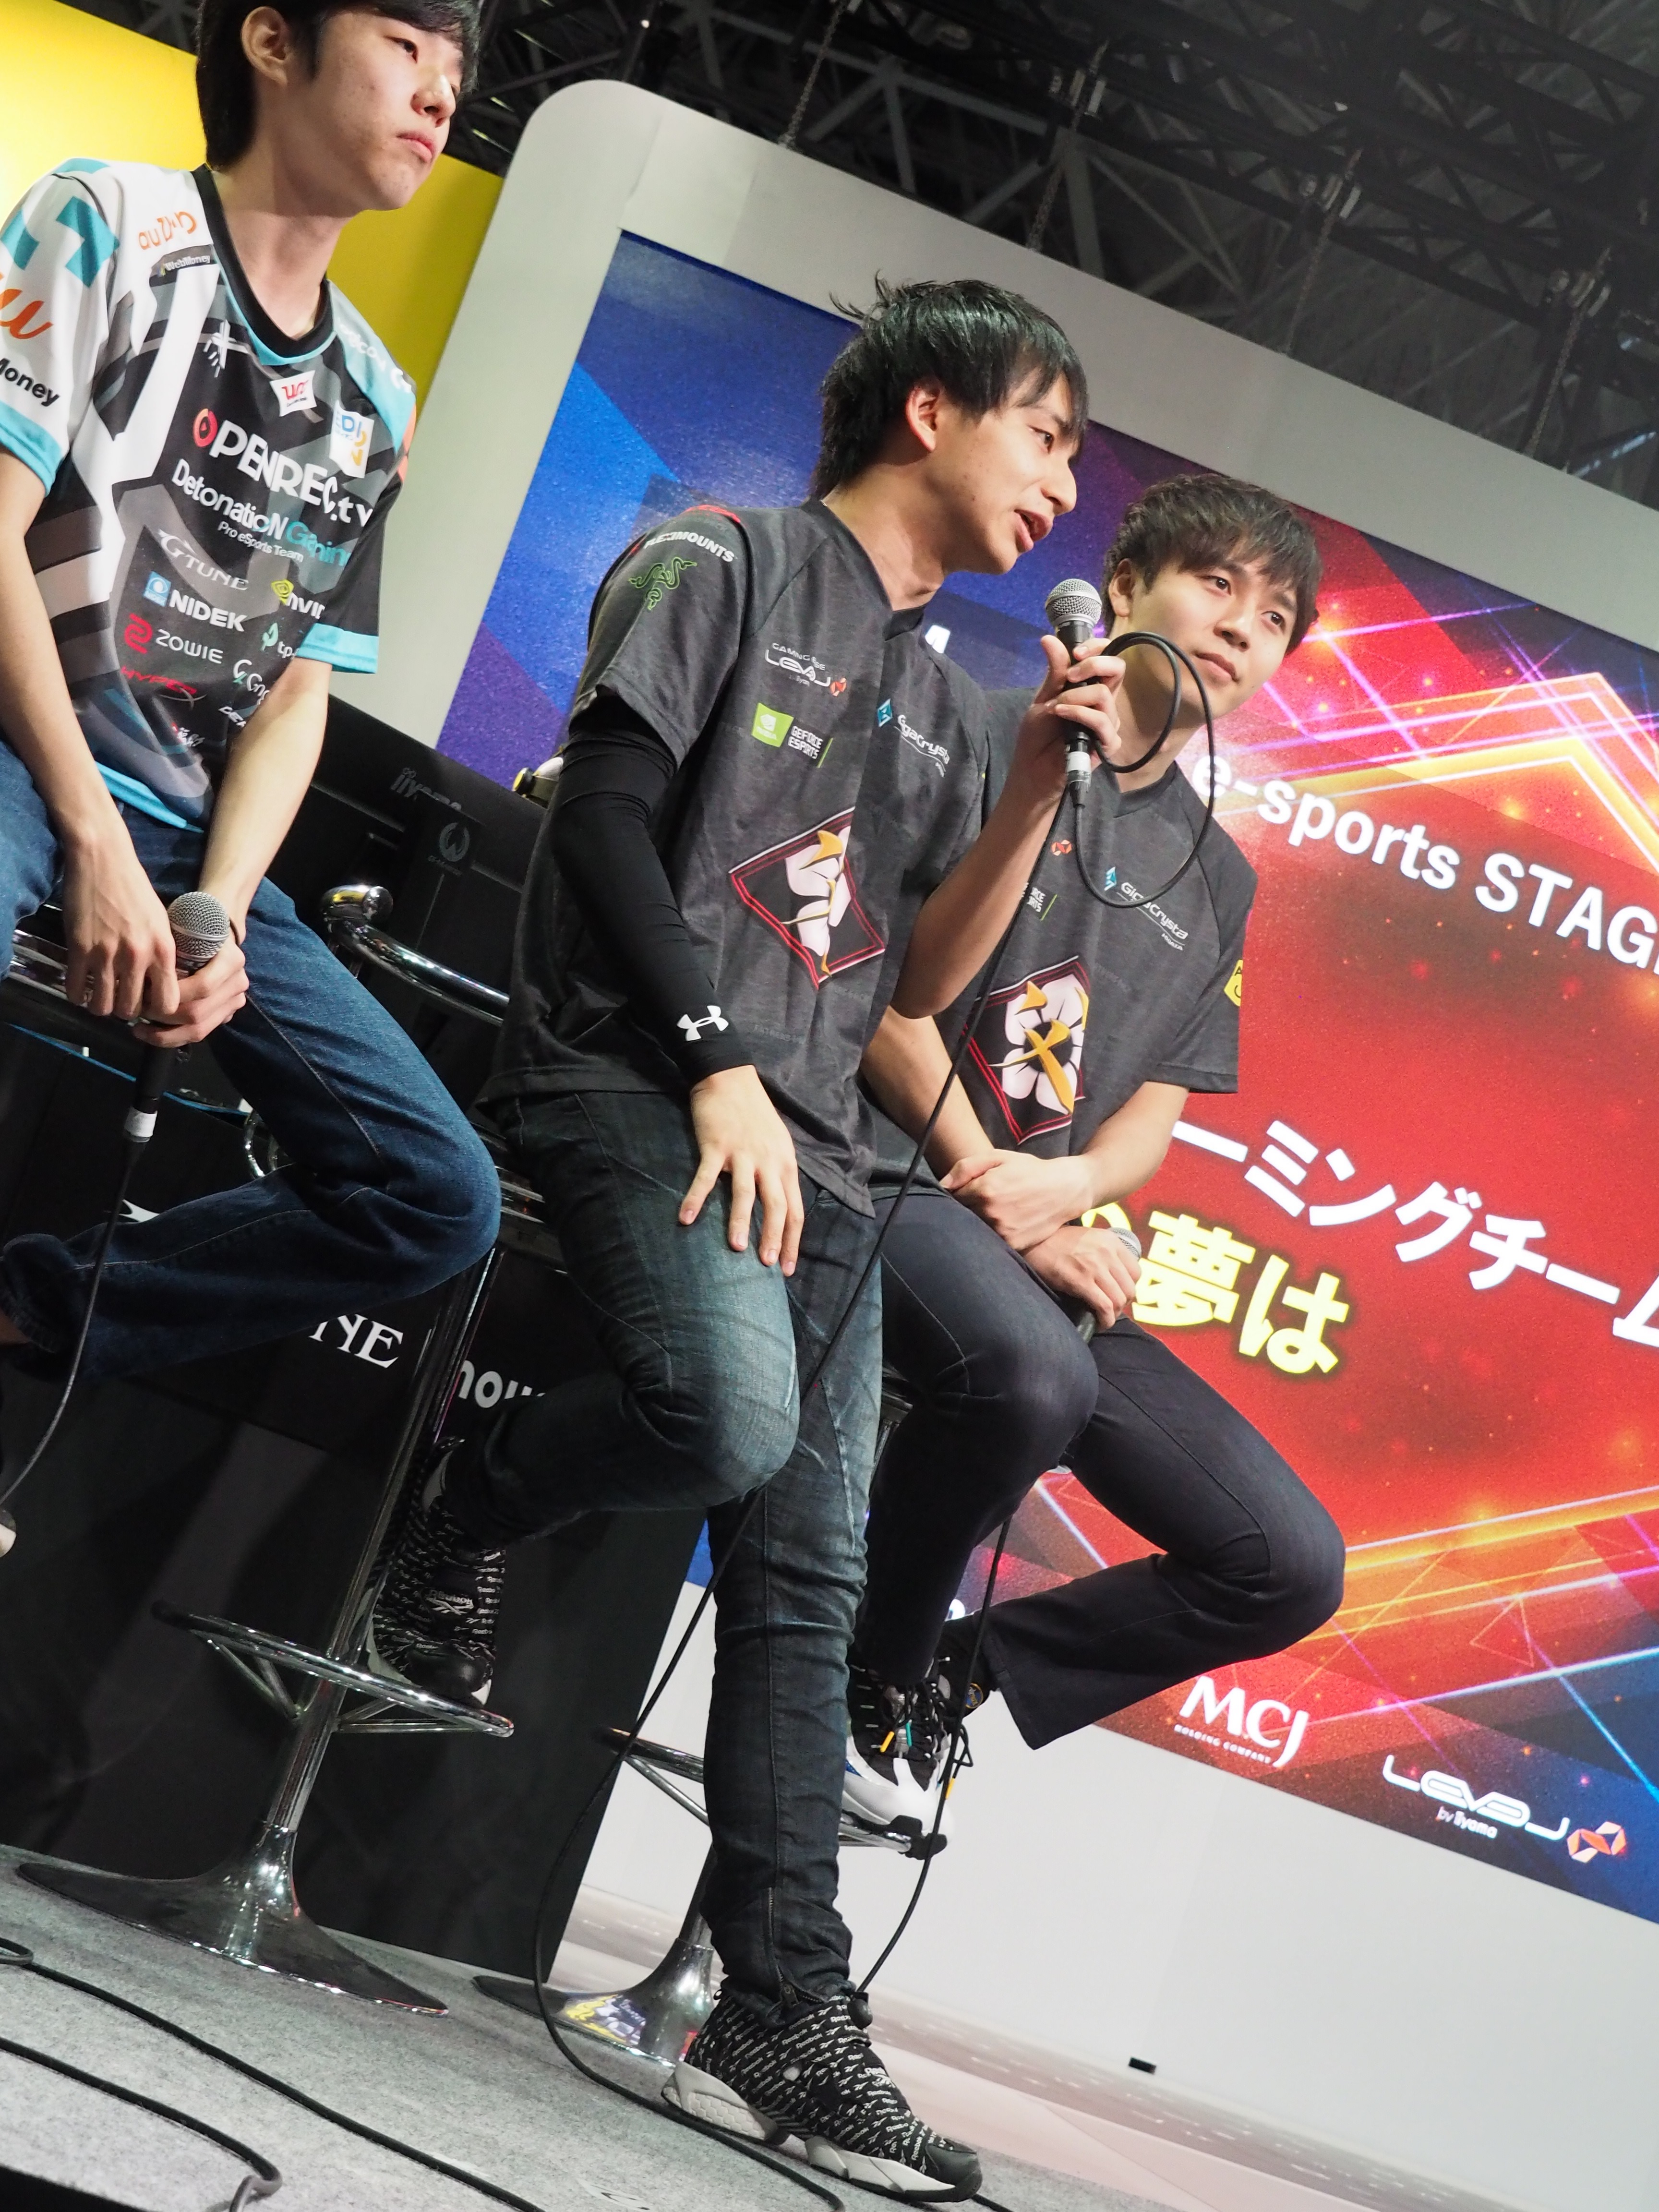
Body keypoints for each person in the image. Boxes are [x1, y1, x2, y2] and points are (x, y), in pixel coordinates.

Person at [368, 279, 1120, 2200]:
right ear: (931, 410)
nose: (1065, 485)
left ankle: (784, 2005)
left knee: (811, 1574)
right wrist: (712, 1058)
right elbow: (604, 823)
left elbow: (920, 985)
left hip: (828, 1152)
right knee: (724, 1419)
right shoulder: (720, 560)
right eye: (1046, 434)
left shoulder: (949, 706)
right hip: (635, 1074)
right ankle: (468, 1497)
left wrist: (1039, 776)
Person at [0, 0, 500, 1553]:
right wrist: (88, 830)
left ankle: (28, 1312)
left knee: (438, 1193)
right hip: (23, 754)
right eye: (410, 42)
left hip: (181, 832)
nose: (444, 92)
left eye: (461, 71)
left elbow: (295, 694)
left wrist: (216, 904)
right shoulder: (109, 219)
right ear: (274, 43)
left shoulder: (377, 395)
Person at [848, 474, 1347, 1834]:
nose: (1241, 628)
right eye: (1217, 585)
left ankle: (949, 1670)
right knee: (1032, 1377)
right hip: (888, 1176)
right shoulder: (968, 727)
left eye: (1275, 618)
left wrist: (1067, 1190)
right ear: (1125, 587)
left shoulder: (1221, 876)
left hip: (1039, 1236)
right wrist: (1003, 1193)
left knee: (1287, 1561)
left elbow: (1151, 1117)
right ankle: (868, 1677)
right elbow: (871, 996)